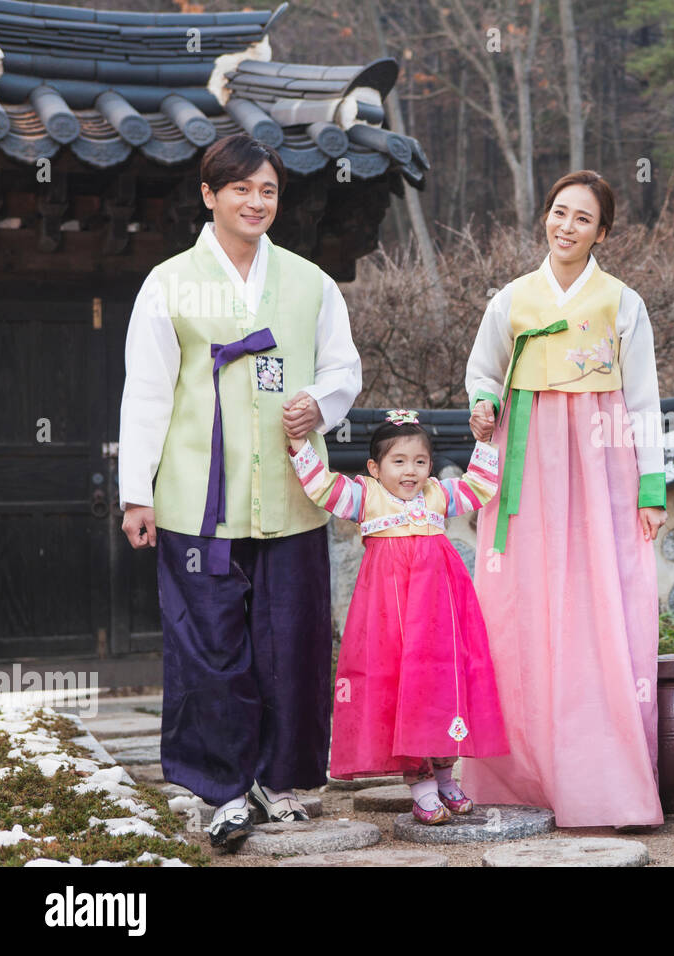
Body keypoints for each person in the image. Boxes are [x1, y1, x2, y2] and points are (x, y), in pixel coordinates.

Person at [118, 134, 361, 848]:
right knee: (210, 645)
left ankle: (281, 780)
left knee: (291, 641)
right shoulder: (169, 282)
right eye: (241, 189)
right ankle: (221, 787)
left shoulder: (310, 281)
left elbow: (343, 369)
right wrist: (139, 494)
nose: (256, 203)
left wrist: (318, 403)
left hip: (291, 495)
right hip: (199, 498)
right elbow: (148, 393)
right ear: (208, 195)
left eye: (269, 191)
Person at [463, 170, 668, 828]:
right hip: (525, 462)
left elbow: (643, 400)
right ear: (544, 219)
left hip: (601, 460)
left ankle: (600, 779)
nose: (566, 226)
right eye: (559, 212)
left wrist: (652, 485)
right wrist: (484, 402)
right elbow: (482, 371)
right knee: (517, 609)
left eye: (582, 218)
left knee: (600, 604)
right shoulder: (513, 299)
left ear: (602, 233)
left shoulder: (620, 302)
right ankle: (517, 772)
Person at [287, 410, 508, 823]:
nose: (411, 471)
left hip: (440, 615)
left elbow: (479, 486)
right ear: (374, 467)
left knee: (442, 686)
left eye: (420, 461)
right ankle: (421, 784)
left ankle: (445, 776)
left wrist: (485, 440)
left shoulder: (439, 495)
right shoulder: (366, 496)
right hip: (391, 618)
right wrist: (300, 447)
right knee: (403, 689)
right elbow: (323, 489)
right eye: (399, 461)